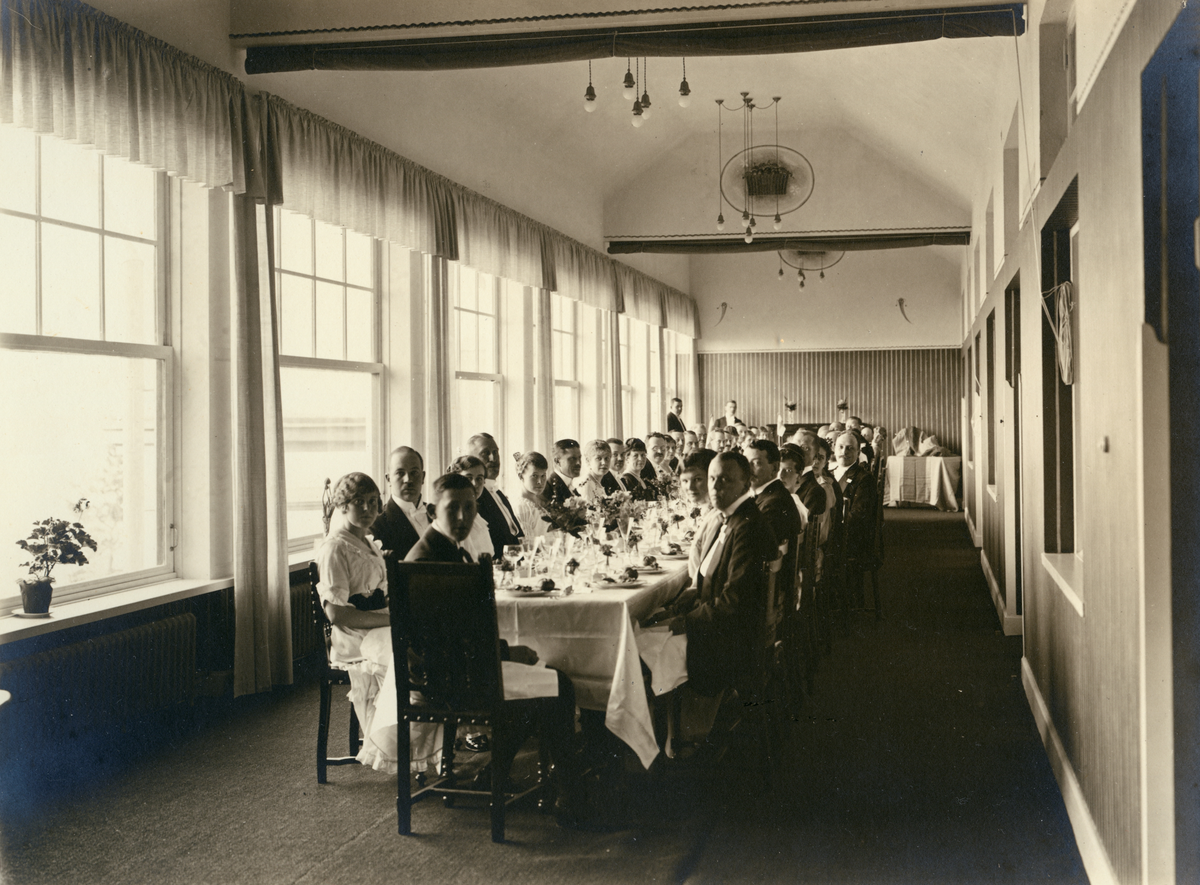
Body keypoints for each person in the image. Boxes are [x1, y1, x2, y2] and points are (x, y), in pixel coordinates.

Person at [405, 474, 586, 825]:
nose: (462, 517)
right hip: (449, 680)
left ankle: (496, 773)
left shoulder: (444, 548)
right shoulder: (429, 559)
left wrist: (504, 651)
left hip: (450, 670)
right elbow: (451, 638)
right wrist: (505, 653)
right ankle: (570, 794)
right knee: (558, 683)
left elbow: (461, 630)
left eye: (469, 507)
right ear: (432, 511)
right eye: (451, 508)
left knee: (540, 678)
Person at [652, 451, 778, 699]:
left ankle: (671, 729)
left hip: (728, 640)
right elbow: (707, 581)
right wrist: (676, 608)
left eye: (725, 480)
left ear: (745, 482)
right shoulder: (730, 518)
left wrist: (684, 621)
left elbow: (734, 601)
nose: (715, 487)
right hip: (719, 625)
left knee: (640, 651)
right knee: (649, 627)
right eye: (711, 479)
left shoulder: (747, 526)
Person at [316, 472, 394, 772]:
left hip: (374, 625)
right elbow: (337, 613)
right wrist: (386, 619)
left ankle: (418, 737)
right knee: (405, 653)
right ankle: (395, 742)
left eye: (373, 502)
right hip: (352, 635)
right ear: (342, 505)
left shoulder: (369, 543)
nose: (367, 509)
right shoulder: (335, 547)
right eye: (358, 502)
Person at [745, 439, 803, 588]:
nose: (748, 470)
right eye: (746, 462)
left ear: (775, 467)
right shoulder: (770, 495)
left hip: (768, 588)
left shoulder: (774, 503)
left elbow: (752, 552)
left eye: (756, 463)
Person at [832, 431, 877, 606]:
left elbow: (858, 516)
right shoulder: (828, 474)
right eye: (841, 447)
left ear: (858, 453)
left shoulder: (864, 479)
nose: (844, 451)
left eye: (850, 448)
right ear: (834, 449)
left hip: (853, 539)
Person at [467, 432, 523, 558]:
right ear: (472, 459)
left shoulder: (499, 494)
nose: (493, 458)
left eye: (495, 452)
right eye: (485, 453)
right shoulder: (474, 497)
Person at [371, 446, 429, 562]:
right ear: (388, 479)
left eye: (414, 473)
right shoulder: (376, 524)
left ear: (423, 477)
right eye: (400, 473)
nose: (408, 479)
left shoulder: (440, 515)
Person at [447, 455, 495, 563]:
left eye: (479, 478)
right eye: (468, 478)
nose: (475, 484)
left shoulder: (475, 514)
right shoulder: (456, 516)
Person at [513, 451, 552, 540]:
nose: (540, 481)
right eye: (534, 476)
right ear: (520, 476)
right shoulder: (522, 507)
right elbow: (528, 546)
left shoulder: (537, 503)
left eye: (543, 476)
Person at [541, 439, 582, 507]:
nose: (578, 463)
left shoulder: (571, 485)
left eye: (579, 458)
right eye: (572, 459)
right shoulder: (547, 489)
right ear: (557, 461)